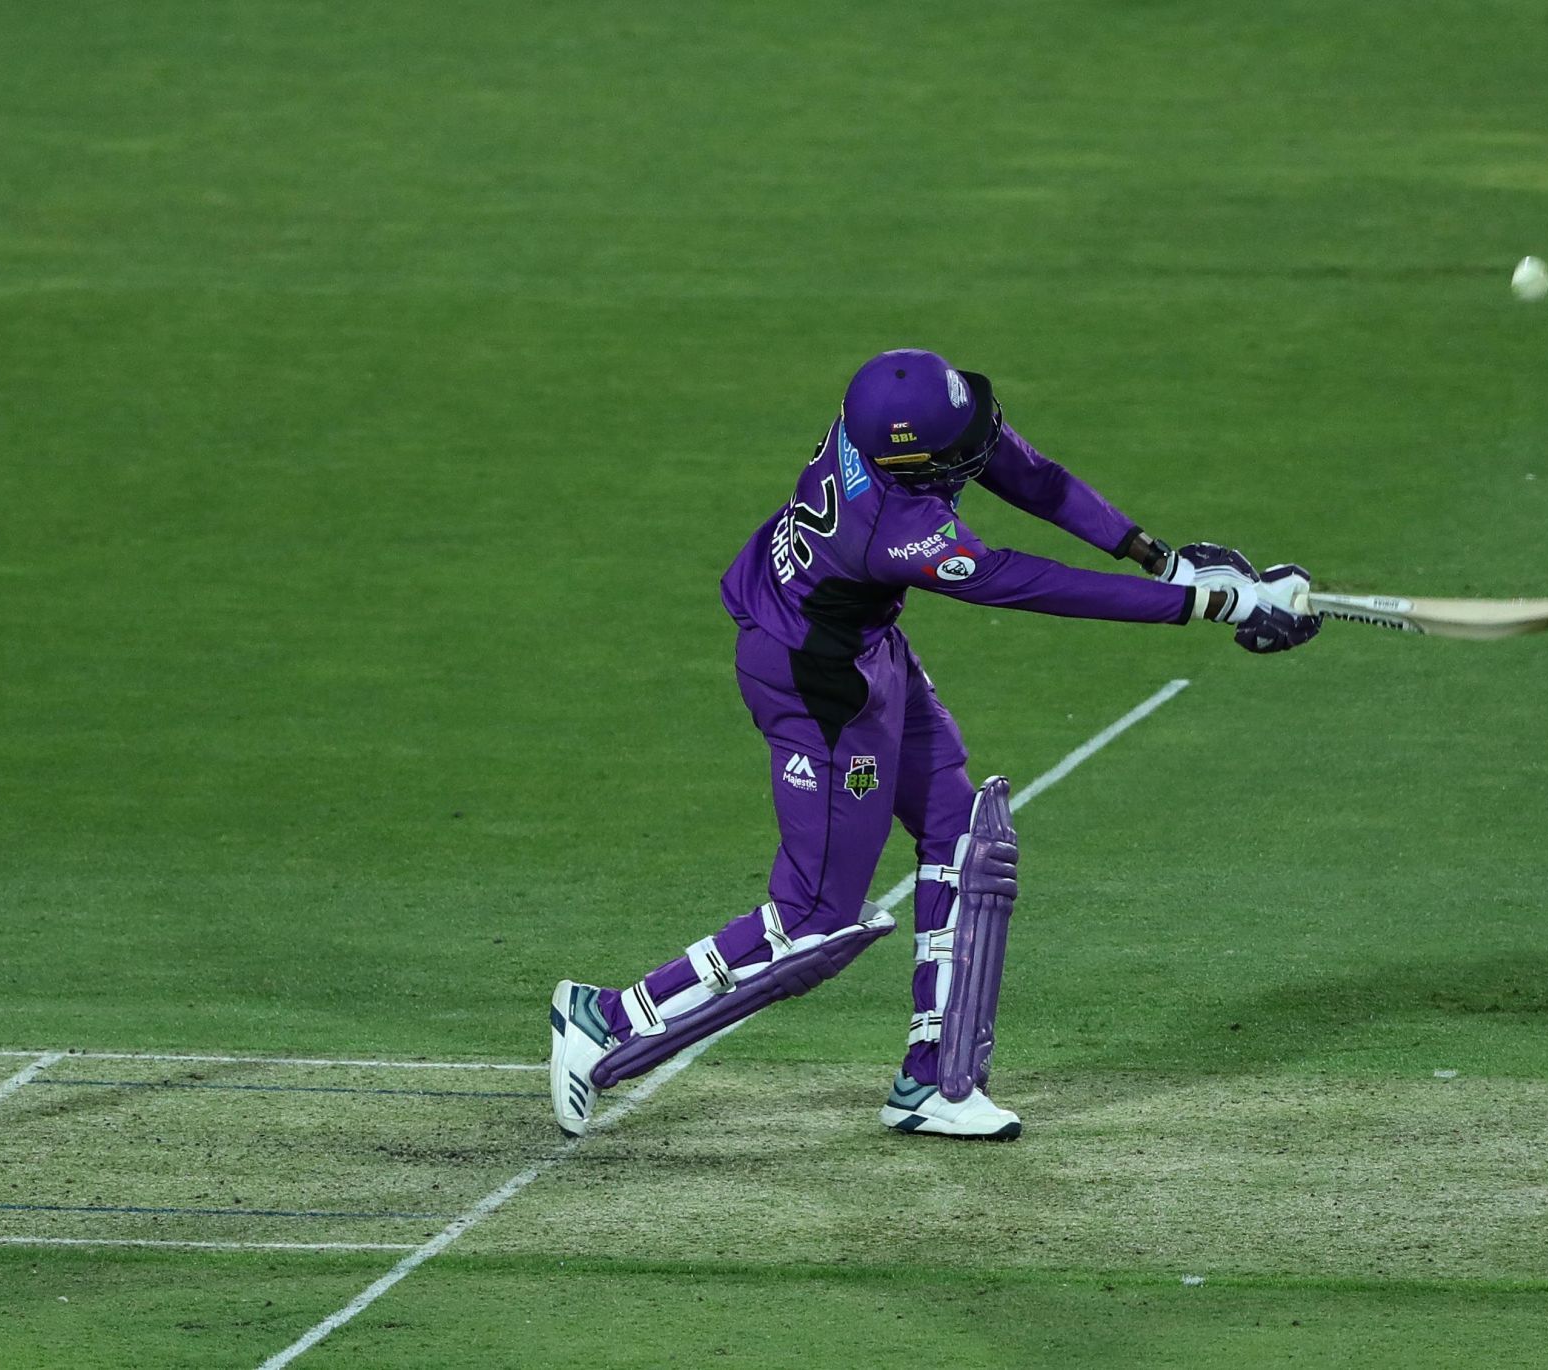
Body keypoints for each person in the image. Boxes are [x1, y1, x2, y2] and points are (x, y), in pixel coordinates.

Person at [549, 349, 1319, 1141]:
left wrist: (1156, 555)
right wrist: (1193, 605)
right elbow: (1022, 581)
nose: (976, 451)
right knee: (815, 915)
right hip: (816, 686)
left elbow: (1027, 472)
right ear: (911, 461)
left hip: (862, 644)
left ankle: (935, 1083)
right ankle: (603, 1020)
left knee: (958, 827)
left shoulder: (899, 421)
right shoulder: (895, 527)